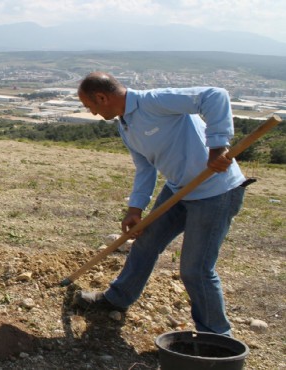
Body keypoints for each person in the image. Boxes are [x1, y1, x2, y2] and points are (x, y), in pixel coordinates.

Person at [75, 71, 248, 336]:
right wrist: (136, 209)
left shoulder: (153, 101)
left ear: (101, 97)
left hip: (215, 191)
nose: (92, 113)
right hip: (179, 189)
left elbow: (215, 95)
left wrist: (217, 147)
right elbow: (145, 167)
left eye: (90, 106)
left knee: (195, 269)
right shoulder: (125, 125)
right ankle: (117, 298)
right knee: (145, 241)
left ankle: (217, 338)